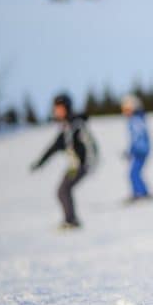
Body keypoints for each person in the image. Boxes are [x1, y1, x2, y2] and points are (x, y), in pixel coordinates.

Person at [30, 93, 97, 230]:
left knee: (63, 190)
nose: (56, 112)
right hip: (75, 165)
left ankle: (71, 220)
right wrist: (40, 162)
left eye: (59, 108)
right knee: (63, 190)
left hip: (81, 165)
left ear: (66, 108)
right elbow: (54, 147)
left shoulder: (76, 125)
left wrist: (88, 162)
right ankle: (70, 219)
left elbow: (89, 144)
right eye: (55, 109)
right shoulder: (67, 127)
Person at [121, 94, 152, 202]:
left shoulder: (135, 120)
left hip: (140, 150)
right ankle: (141, 192)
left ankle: (140, 193)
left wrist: (132, 150)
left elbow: (138, 137)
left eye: (126, 109)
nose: (124, 112)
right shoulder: (136, 119)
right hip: (141, 149)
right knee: (135, 173)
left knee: (133, 173)